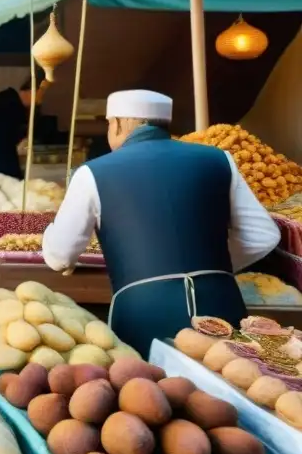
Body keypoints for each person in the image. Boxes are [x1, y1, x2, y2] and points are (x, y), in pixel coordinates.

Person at [41, 90, 280, 355]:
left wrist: (48, 234)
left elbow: (59, 256)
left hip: (144, 314)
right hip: (220, 303)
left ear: (118, 123)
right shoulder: (219, 159)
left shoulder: (92, 172)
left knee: (150, 392)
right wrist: (213, 267)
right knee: (228, 387)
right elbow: (264, 235)